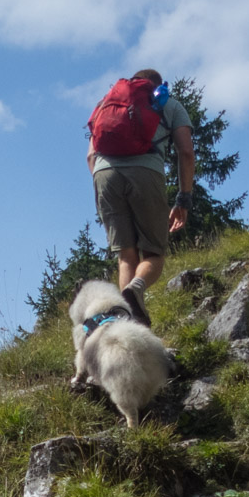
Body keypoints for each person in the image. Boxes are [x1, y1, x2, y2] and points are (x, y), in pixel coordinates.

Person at [85, 68, 194, 327]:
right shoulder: (169, 104)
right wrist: (183, 199)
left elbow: (90, 155)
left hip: (104, 174)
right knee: (153, 253)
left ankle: (128, 322)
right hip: (146, 172)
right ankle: (136, 287)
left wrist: (105, 183)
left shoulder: (105, 105)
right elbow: (186, 152)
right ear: (157, 86)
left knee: (126, 254)